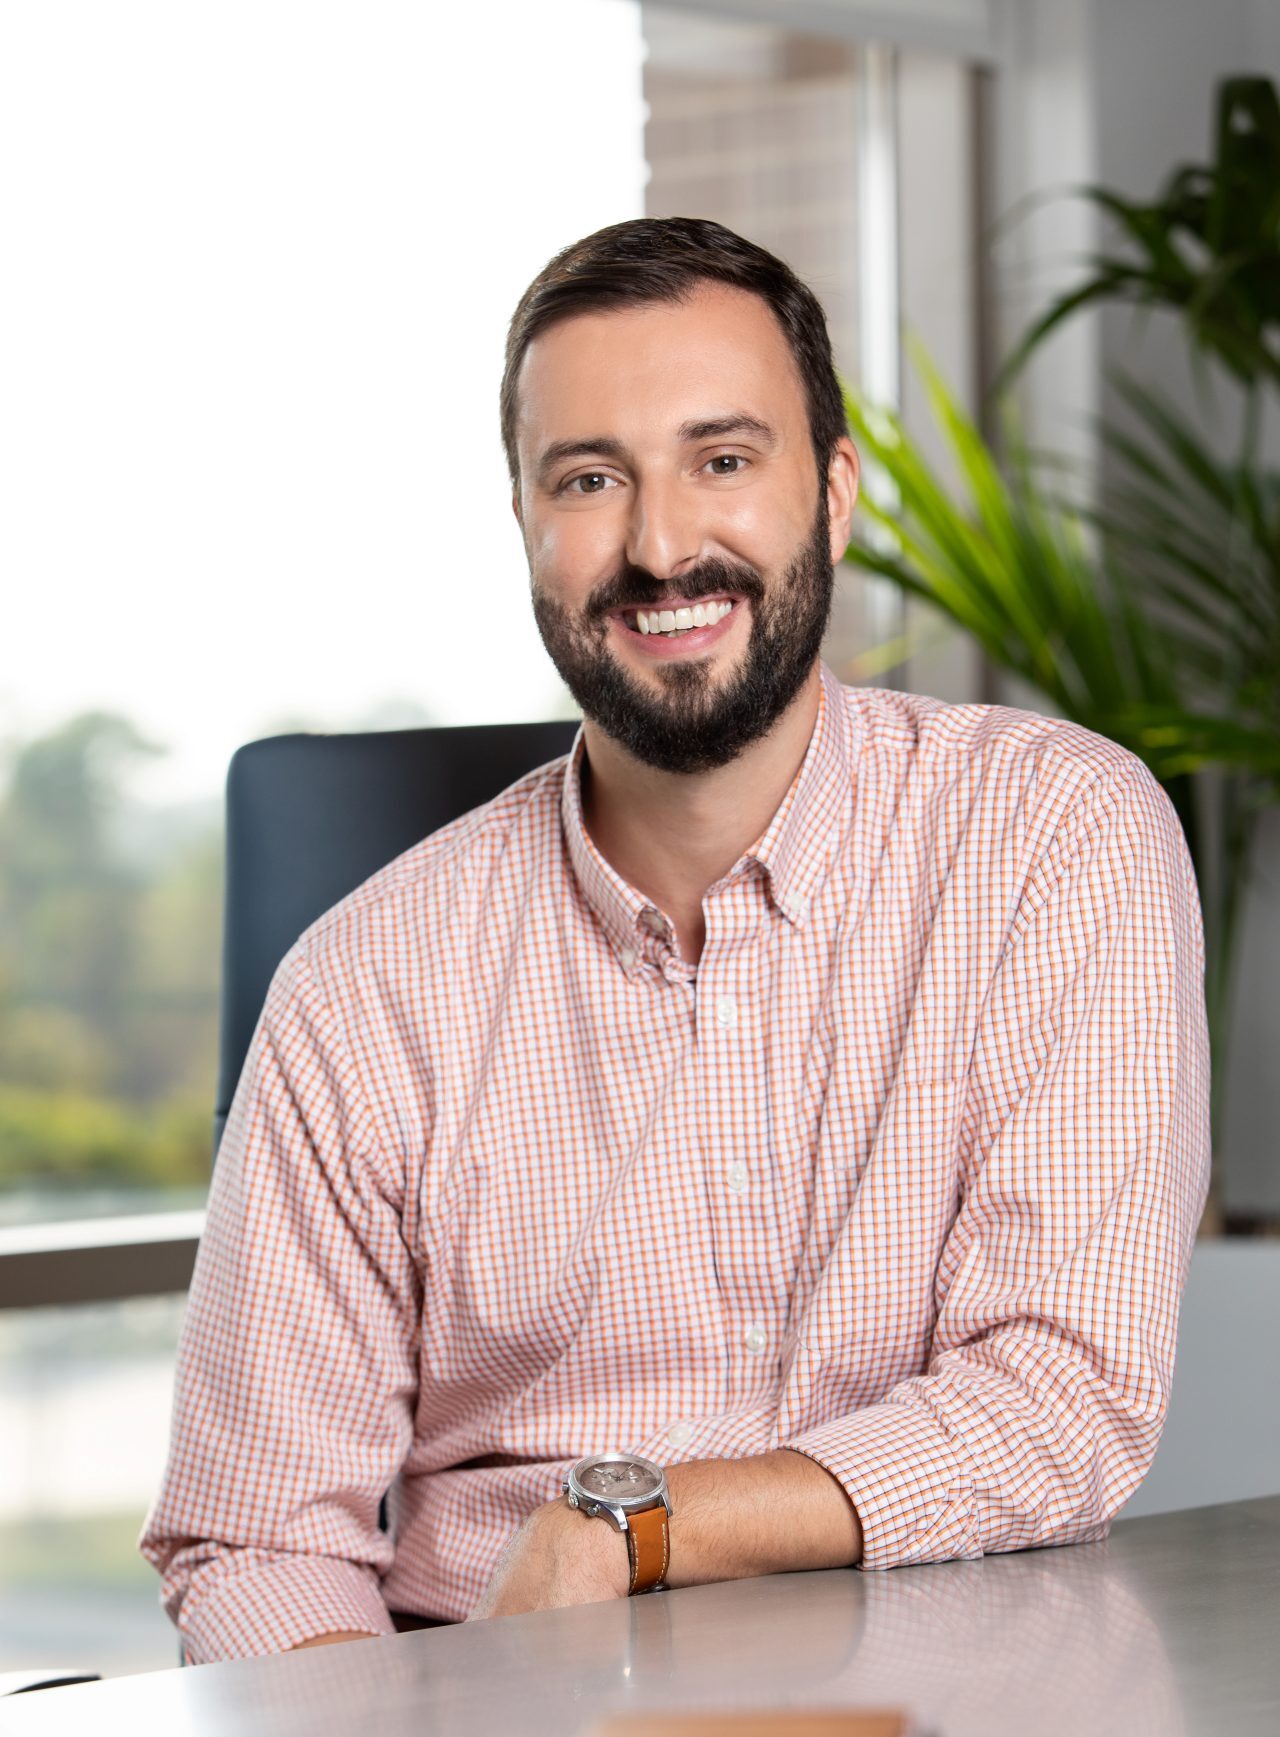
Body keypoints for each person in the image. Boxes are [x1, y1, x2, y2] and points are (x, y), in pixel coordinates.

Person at [139, 216, 1210, 1662]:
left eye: (723, 459)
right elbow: (259, 1540)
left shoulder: (1055, 840)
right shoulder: (361, 986)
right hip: (503, 1700)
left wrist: (629, 1524)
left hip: (951, 1693)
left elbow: (1062, 1393)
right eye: (590, 479)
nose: (659, 547)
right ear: (526, 521)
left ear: (835, 493)